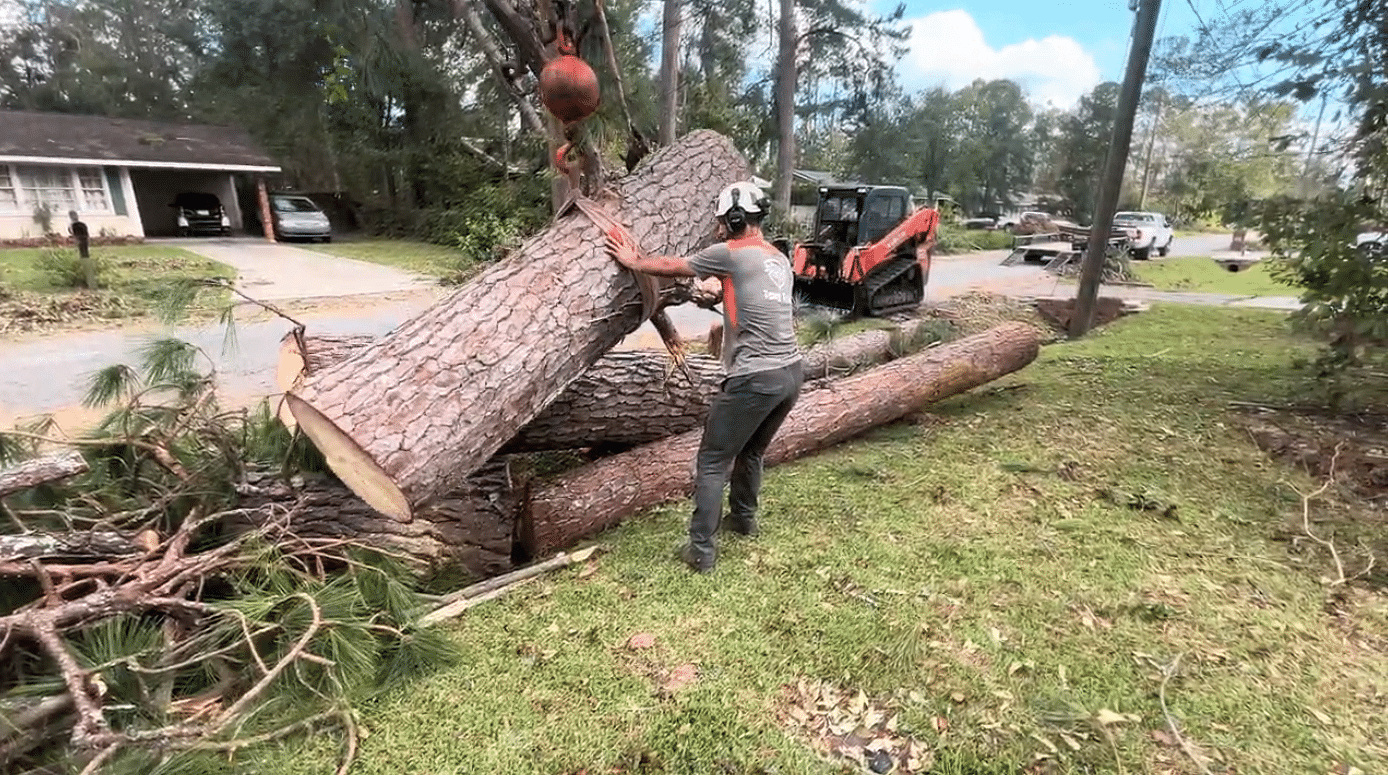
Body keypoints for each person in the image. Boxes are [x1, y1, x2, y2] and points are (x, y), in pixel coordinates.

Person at [605, 181, 804, 573]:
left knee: (713, 461)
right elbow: (757, 297)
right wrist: (721, 295)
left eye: (721, 220)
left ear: (734, 219)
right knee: (752, 451)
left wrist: (633, 261)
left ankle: (701, 550)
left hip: (756, 378)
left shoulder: (730, 252)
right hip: (791, 374)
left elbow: (671, 266)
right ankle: (743, 520)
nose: (717, 227)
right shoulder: (777, 258)